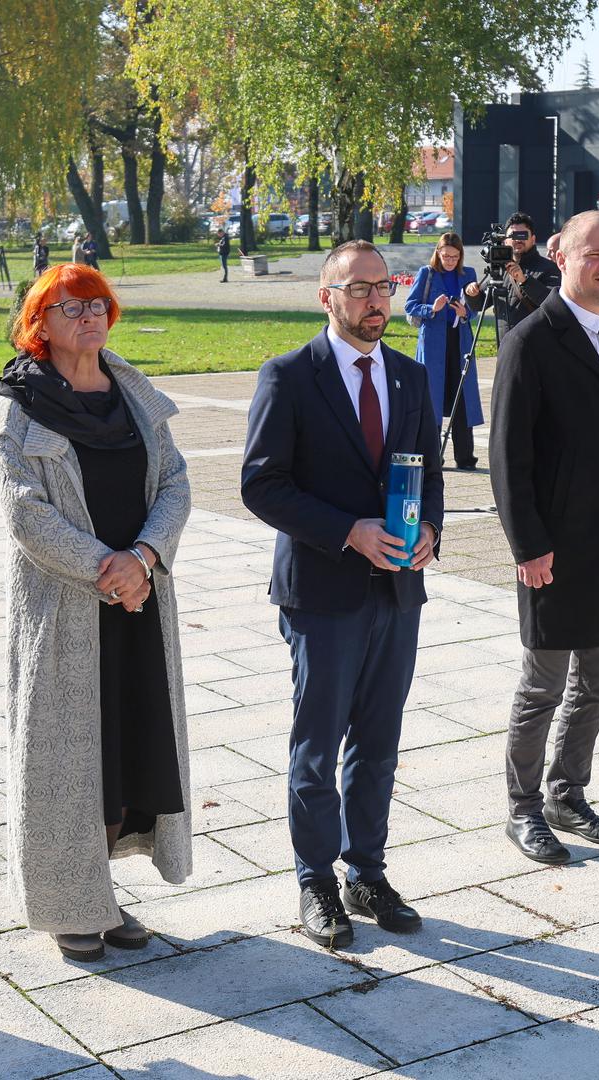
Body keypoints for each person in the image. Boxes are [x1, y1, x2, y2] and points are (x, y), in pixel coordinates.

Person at [241, 240, 443, 949]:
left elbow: (429, 476)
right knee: (318, 746)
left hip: (396, 591)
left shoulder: (412, 378)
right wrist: (346, 532)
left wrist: (429, 535)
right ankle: (315, 880)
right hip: (321, 592)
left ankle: (366, 872)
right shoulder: (289, 376)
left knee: (379, 744)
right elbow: (260, 484)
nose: (374, 300)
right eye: (357, 288)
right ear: (325, 296)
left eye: (383, 287)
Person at [0, 262, 193, 961]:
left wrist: (142, 559)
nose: (89, 317)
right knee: (65, 764)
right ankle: (65, 906)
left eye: (98, 303)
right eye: (70, 307)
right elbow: (23, 514)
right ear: (38, 322)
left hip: (136, 604)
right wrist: (104, 571)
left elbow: (174, 482)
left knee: (124, 758)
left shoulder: (132, 394)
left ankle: (98, 896)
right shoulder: (19, 404)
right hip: (66, 609)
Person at [489, 209, 599, 865]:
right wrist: (526, 545)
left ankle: (568, 794)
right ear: (560, 256)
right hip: (555, 547)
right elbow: (509, 457)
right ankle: (522, 807)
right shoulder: (531, 341)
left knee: (595, 681)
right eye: (594, 254)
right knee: (542, 685)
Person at [403, 233, 483, 470]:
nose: (449, 260)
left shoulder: (468, 274)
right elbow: (410, 306)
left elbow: (476, 309)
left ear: (460, 256)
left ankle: (466, 457)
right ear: (438, 252)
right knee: (432, 397)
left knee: (462, 396)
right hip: (434, 344)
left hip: (460, 341)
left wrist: (465, 313)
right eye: (445, 255)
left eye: (454, 256)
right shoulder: (426, 273)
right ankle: (432, 456)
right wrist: (431, 308)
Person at [463, 211, 561, 339]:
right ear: (505, 241)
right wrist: (472, 293)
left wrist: (524, 281)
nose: (517, 239)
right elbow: (479, 305)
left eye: (522, 235)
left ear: (533, 239)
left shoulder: (549, 268)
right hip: (506, 347)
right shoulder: (502, 269)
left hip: (536, 347)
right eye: (512, 235)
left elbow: (553, 303)